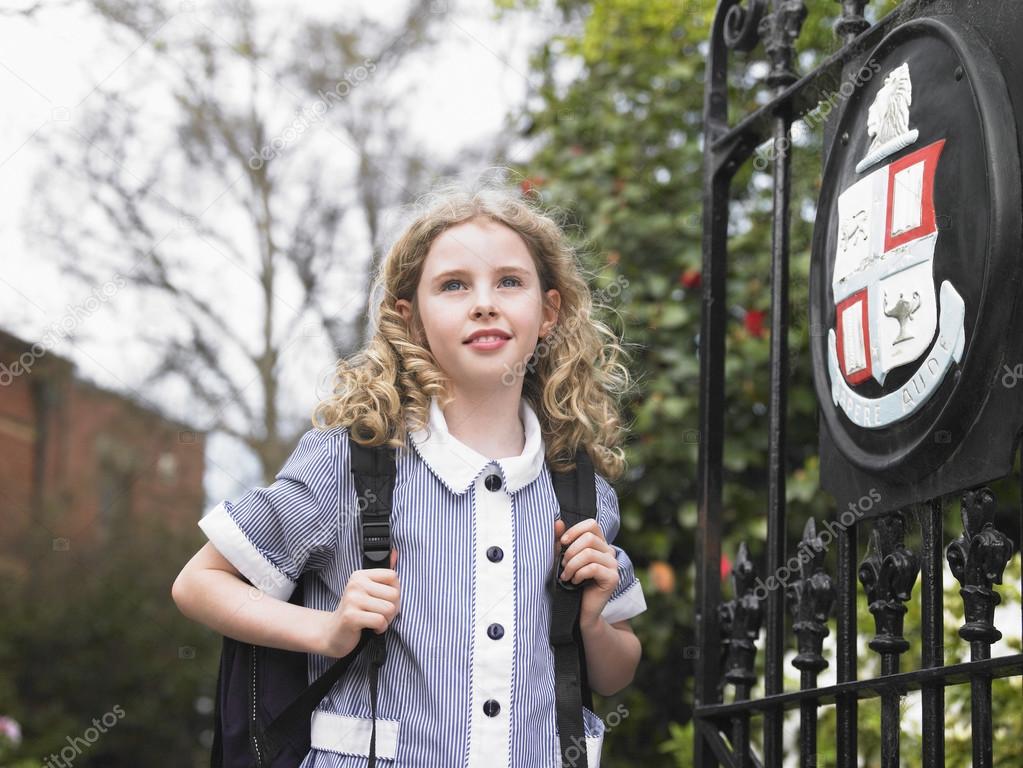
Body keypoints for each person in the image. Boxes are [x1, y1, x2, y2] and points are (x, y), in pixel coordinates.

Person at [171, 177, 646, 767]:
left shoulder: (582, 494)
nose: (484, 302)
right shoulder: (347, 465)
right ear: (412, 317)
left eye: (509, 281)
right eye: (453, 285)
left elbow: (617, 670)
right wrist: (327, 629)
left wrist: (596, 620)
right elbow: (197, 585)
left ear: (548, 312)